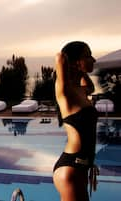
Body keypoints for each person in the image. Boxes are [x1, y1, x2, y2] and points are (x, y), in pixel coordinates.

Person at [53, 41, 99, 201]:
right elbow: (60, 57)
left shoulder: (80, 91)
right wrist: (70, 63)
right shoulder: (65, 91)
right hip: (71, 168)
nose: (93, 60)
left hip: (80, 166)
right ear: (75, 62)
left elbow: (91, 87)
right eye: (88, 56)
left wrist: (81, 72)